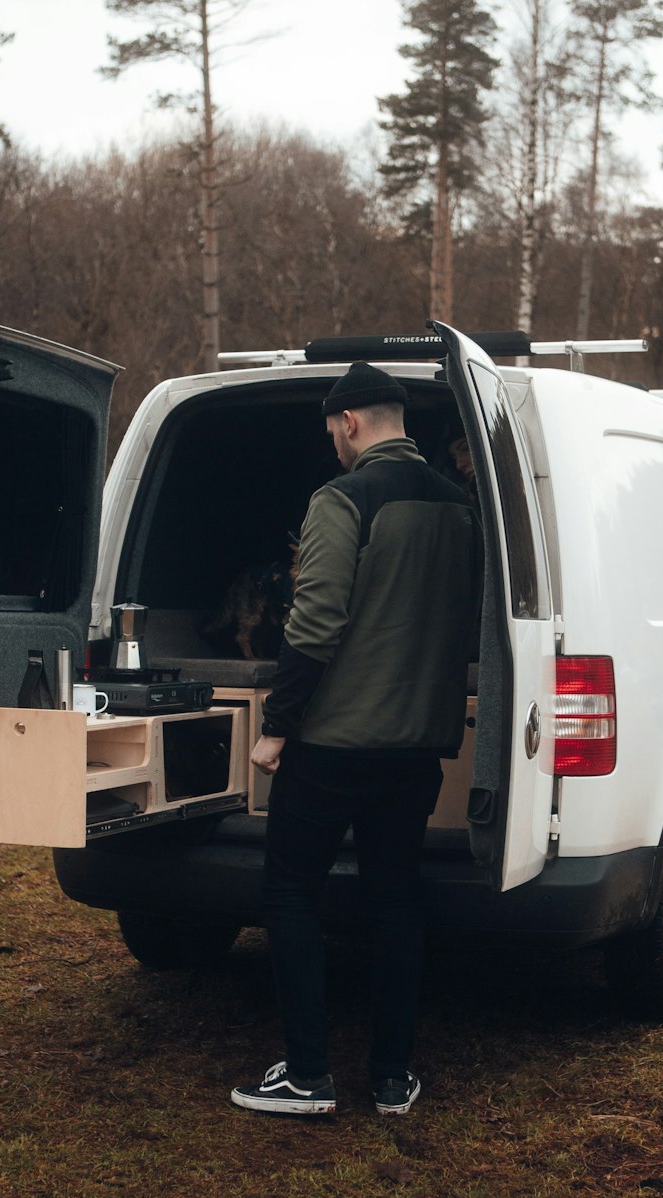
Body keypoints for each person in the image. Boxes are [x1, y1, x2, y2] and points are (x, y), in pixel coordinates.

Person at [230, 361, 482, 1117]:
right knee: (396, 902)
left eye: (333, 435)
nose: (335, 446)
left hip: (335, 745)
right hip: (416, 750)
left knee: (289, 893)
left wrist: (277, 728)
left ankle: (308, 1077)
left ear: (350, 424)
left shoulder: (342, 498)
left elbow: (315, 621)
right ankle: (392, 1077)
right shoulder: (464, 507)